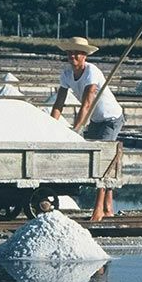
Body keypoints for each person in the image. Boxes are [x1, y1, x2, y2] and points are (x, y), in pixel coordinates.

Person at [49, 37, 125, 222]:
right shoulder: (67, 74)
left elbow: (87, 103)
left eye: (77, 53)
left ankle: (98, 209)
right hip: (96, 120)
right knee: (100, 162)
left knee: (101, 162)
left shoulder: (92, 72)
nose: (73, 56)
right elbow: (59, 103)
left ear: (85, 56)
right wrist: (51, 126)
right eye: (70, 53)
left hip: (111, 119)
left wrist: (77, 129)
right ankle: (108, 207)